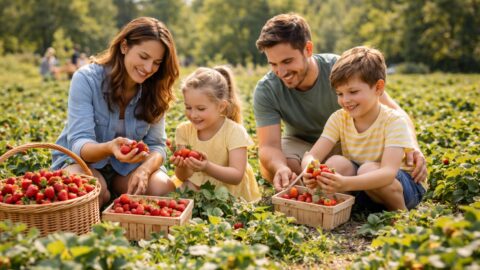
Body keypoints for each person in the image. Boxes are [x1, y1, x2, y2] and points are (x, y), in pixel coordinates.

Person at [253, 13, 427, 192]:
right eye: (273, 64)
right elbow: (269, 145)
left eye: (287, 61)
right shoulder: (267, 89)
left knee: (346, 167)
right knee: (287, 168)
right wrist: (280, 167)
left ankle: (349, 190)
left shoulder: (339, 70)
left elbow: (393, 110)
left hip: (345, 142)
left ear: (308, 49)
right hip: (301, 143)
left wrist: (413, 146)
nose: (281, 72)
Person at [51, 17, 180, 207]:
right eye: (143, 57)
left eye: (157, 62)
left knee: (162, 189)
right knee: (95, 191)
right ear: (124, 46)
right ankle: (105, 192)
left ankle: (116, 189)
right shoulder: (86, 79)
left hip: (126, 169)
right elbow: (80, 143)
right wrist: (110, 148)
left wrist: (144, 171)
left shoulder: (155, 89)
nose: (148, 68)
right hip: (83, 163)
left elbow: (157, 146)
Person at [302, 46, 426, 211]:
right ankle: (348, 209)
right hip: (363, 187)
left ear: (378, 88)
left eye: (353, 91)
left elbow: (388, 173)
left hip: (404, 189)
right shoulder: (339, 118)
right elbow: (313, 155)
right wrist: (310, 168)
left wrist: (345, 183)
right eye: (339, 94)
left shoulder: (393, 121)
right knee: (335, 163)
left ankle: (399, 214)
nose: (345, 100)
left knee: (367, 169)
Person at [169, 66, 262, 202]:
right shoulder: (183, 130)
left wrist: (207, 167)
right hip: (196, 183)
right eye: (188, 107)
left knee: (221, 200)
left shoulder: (234, 132)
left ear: (221, 106)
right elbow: (182, 177)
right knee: (182, 194)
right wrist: (181, 166)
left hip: (229, 189)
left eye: (201, 109)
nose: (193, 114)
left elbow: (236, 176)